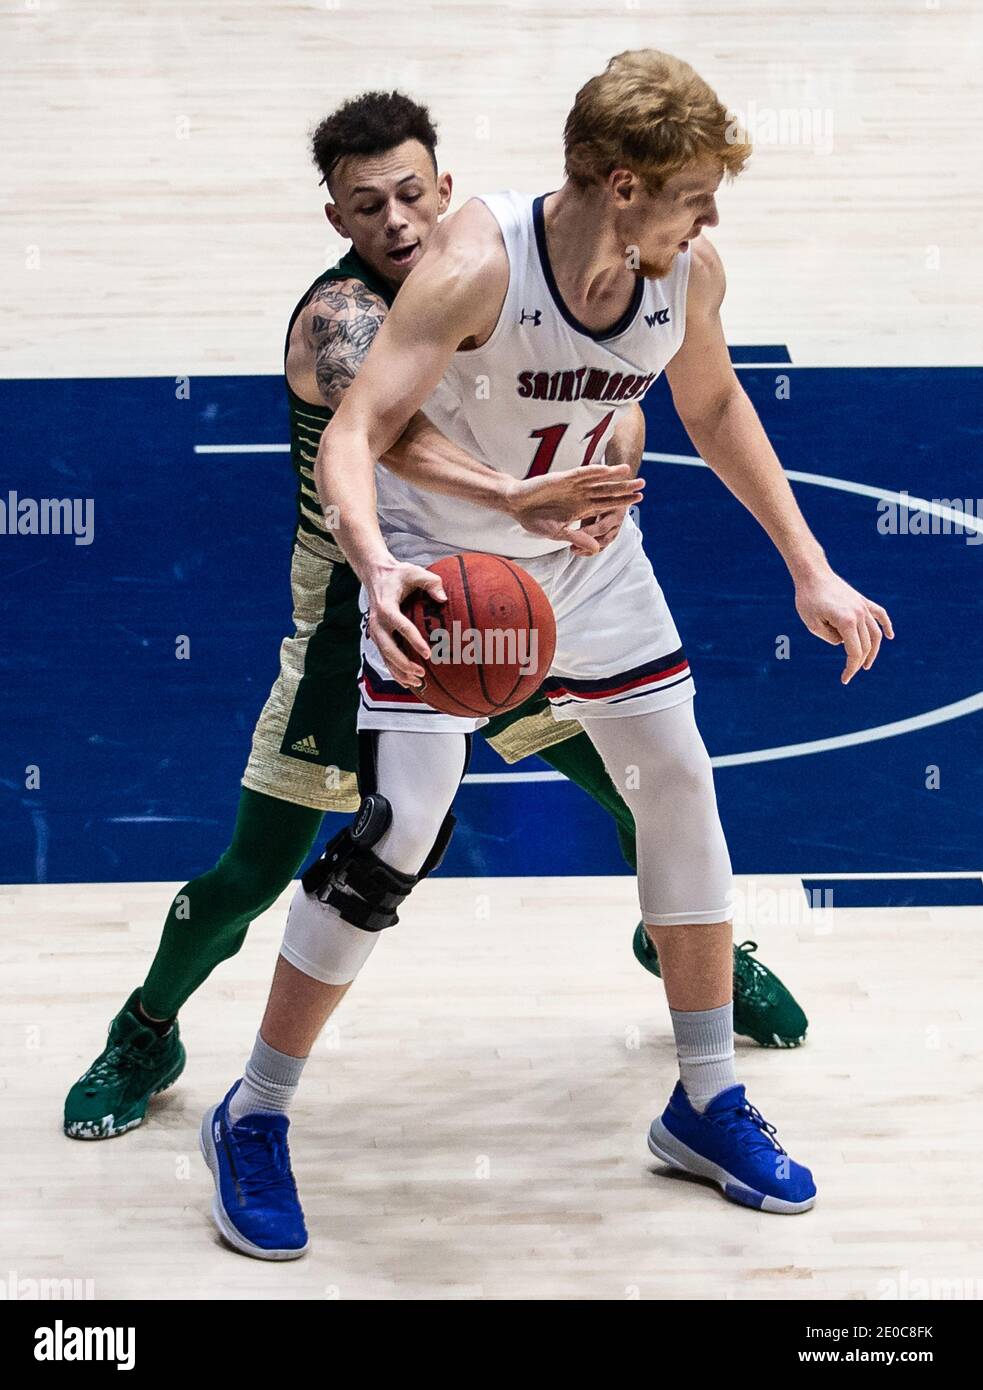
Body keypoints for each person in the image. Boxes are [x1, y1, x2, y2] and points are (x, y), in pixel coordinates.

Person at [201, 53, 888, 1257]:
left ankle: (706, 1097)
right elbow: (357, 436)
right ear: (620, 183)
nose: (711, 215)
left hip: (585, 553)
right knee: (401, 828)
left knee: (677, 777)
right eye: (693, 192)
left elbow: (715, 407)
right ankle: (252, 1111)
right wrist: (376, 567)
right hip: (445, 563)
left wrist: (809, 564)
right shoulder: (478, 263)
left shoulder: (687, 270)